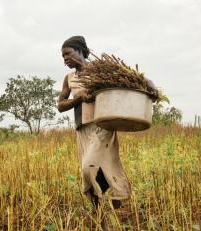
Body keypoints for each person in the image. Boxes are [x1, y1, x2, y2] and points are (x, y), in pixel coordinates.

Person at [57, 35, 158, 211]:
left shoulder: (100, 69)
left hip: (102, 125)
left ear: (81, 51)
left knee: (90, 167)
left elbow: (133, 76)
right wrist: (78, 99)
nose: (65, 59)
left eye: (68, 53)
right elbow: (60, 105)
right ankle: (98, 213)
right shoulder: (69, 78)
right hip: (81, 129)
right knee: (87, 171)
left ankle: (118, 193)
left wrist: (151, 85)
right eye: (63, 56)